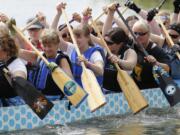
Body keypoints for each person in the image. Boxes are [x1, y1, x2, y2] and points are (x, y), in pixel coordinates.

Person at [19, 29, 73, 101]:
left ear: (57, 45)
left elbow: (70, 81)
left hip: (57, 99)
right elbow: (17, 52)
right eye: (44, 45)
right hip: (41, 99)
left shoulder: (61, 59)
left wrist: (59, 71)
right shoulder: (40, 56)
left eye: (50, 46)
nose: (47, 49)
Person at [102, 4, 137, 92]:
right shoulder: (107, 48)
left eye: (110, 43)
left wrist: (119, 61)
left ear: (120, 43)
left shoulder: (129, 52)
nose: (106, 44)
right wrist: (110, 13)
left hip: (123, 93)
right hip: (105, 91)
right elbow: (105, 33)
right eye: (105, 42)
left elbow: (131, 65)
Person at [132, 20, 171, 89]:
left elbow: (167, 69)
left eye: (141, 34)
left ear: (149, 34)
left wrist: (156, 63)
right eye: (135, 33)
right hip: (134, 87)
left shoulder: (157, 50)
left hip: (152, 89)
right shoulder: (131, 45)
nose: (137, 36)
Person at [0, 22, 27, 106]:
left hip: (15, 107)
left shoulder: (17, 64)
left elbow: (19, 82)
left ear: (7, 50)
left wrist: (5, 71)